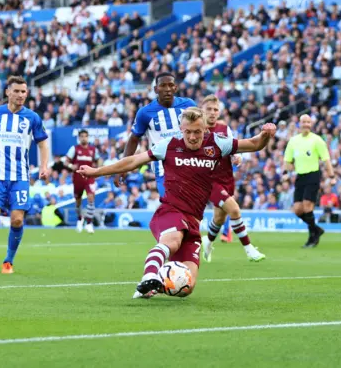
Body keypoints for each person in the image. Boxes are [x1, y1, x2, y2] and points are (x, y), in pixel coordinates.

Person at [78, 107, 276, 298]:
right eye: (188, 132)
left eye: (197, 132)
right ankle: (149, 276)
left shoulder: (217, 143)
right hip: (169, 211)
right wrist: (96, 172)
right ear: (181, 130)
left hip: (193, 221)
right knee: (172, 241)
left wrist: (266, 134)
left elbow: (253, 144)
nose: (192, 137)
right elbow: (133, 161)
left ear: (205, 129)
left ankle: (156, 285)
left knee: (186, 286)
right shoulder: (169, 144)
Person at [0, 75, 50, 274]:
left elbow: (42, 143)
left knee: (17, 220)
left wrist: (44, 166)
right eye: (17, 91)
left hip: (20, 177)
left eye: (23, 92)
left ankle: (8, 261)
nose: (20, 95)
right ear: (8, 92)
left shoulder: (32, 117)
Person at [199, 95, 265, 262]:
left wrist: (236, 157)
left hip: (226, 177)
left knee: (220, 218)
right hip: (208, 180)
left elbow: (232, 147)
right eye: (209, 109)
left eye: (215, 110)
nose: (213, 113)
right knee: (234, 210)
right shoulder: (197, 131)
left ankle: (208, 241)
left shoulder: (224, 128)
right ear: (202, 111)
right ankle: (249, 249)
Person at [115, 72, 195, 197]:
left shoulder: (189, 105)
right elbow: (134, 139)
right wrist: (123, 167)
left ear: (175, 88)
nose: (167, 89)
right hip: (163, 170)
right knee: (172, 204)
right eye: (163, 85)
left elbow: (202, 131)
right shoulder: (145, 112)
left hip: (190, 165)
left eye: (170, 85)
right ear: (156, 89)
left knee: (191, 209)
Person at [283, 114, 335, 248]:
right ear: (299, 124)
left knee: (307, 206)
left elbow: (326, 159)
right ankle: (316, 229)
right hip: (300, 176)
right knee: (297, 210)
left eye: (308, 122)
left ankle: (312, 238)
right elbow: (287, 160)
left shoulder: (317, 140)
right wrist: (286, 172)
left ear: (311, 124)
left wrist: (332, 176)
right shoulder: (293, 141)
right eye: (304, 122)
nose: (306, 124)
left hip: (313, 175)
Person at [65, 129, 100, 234]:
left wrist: (97, 167)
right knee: (78, 201)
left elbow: (98, 160)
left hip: (89, 178)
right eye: (82, 136)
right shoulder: (74, 149)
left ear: (88, 137)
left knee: (91, 197)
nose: (84, 138)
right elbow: (66, 161)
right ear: (79, 138)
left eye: (86, 136)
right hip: (78, 178)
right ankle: (80, 219)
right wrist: (72, 166)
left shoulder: (93, 150)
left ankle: (89, 223)